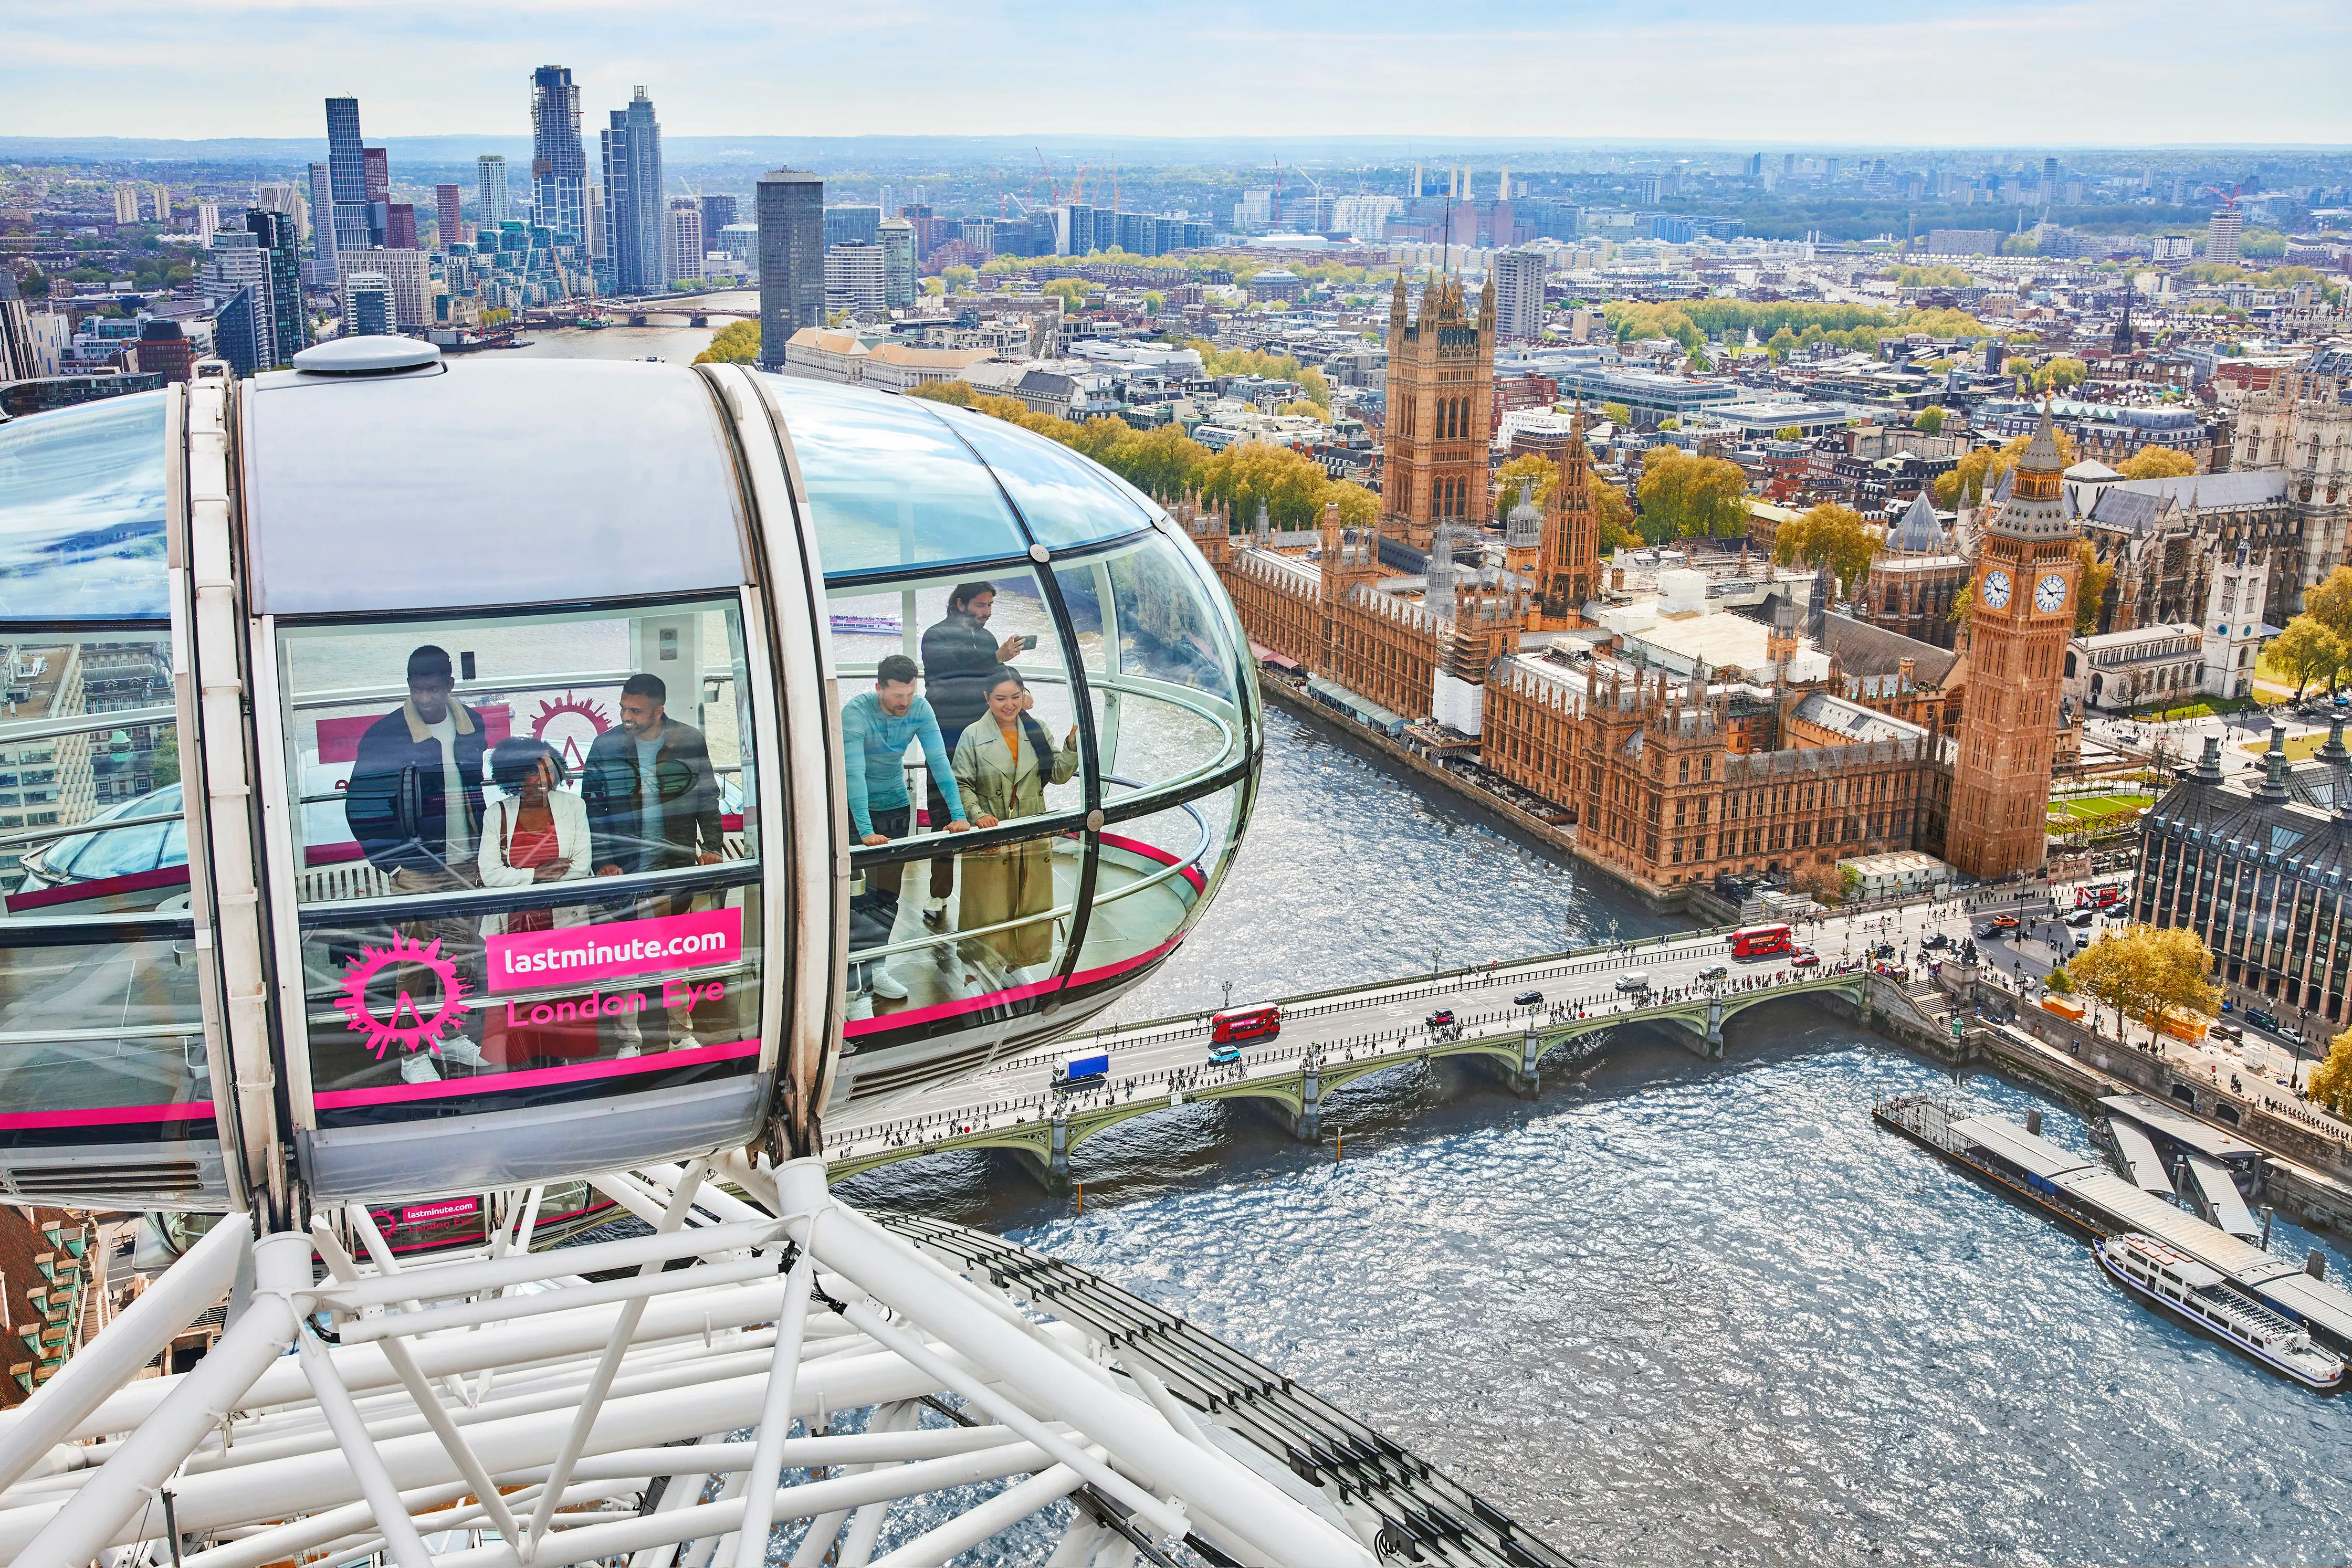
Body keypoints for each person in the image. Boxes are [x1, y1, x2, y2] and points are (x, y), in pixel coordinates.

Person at [345, 645, 490, 1082]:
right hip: (415, 869)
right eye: (417, 689)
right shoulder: (385, 735)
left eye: (433, 689)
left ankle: (449, 1034)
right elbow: (362, 806)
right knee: (414, 965)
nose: (425, 698)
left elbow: (474, 788)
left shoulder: (472, 724)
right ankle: (412, 1054)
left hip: (465, 862)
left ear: (450, 685)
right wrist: (392, 865)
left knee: (460, 958)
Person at [582, 673, 726, 1048]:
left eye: (636, 711)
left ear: (659, 710)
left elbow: (707, 797)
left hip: (673, 862)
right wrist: (603, 860)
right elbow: (592, 807)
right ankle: (629, 1040)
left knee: (674, 954)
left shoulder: (688, 740)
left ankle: (681, 1034)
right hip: (625, 867)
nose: (626, 717)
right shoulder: (605, 745)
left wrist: (712, 845)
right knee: (627, 957)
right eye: (623, 708)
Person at [839, 656, 972, 1019]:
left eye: (910, 694)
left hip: (896, 806)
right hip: (856, 810)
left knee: (887, 895)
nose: (905, 702)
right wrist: (866, 831)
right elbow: (853, 775)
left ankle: (875, 968)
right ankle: (854, 987)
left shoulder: (920, 708)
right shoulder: (855, 714)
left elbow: (940, 762)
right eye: (898, 695)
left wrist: (959, 815)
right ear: (879, 687)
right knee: (854, 900)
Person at [951, 667, 1079, 990]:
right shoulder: (972, 735)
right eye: (1000, 698)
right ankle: (974, 971)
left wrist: (1072, 746)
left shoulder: (1037, 730)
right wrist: (978, 815)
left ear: (1024, 695)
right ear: (987, 698)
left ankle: (1015, 963)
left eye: (1015, 697)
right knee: (987, 904)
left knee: (1028, 899)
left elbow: (1058, 775)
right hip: (992, 831)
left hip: (1031, 829)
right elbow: (961, 783)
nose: (1009, 705)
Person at [476, 738, 594, 1065]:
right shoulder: (497, 814)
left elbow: (580, 867)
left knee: (562, 1007)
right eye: (533, 772)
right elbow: (490, 874)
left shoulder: (574, 806)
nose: (543, 779)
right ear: (513, 776)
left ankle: (560, 1068)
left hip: (562, 923)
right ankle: (526, 1072)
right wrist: (537, 874)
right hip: (513, 928)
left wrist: (520, 876)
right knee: (519, 1010)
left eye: (549, 769)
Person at [921, 582, 1026, 918]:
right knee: (945, 811)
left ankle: (989, 891)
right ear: (960, 603)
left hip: (982, 733)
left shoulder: (987, 638)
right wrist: (995, 658)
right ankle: (939, 893)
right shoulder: (936, 636)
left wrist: (1019, 692)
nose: (987, 612)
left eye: (990, 606)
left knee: (987, 804)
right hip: (946, 734)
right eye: (981, 605)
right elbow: (952, 672)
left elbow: (997, 678)